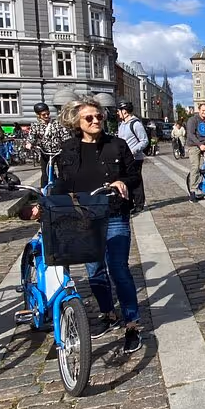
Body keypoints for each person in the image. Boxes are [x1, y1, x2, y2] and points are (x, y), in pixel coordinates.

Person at [45, 99, 144, 351]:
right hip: (84, 217)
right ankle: (108, 313)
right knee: (94, 270)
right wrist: (45, 202)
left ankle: (132, 323)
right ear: (78, 123)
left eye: (99, 116)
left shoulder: (117, 145)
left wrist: (122, 181)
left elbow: (134, 175)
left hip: (114, 214)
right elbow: (61, 183)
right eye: (89, 118)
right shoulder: (68, 149)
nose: (96, 121)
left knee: (119, 268)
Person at [115, 101, 148, 213]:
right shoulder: (122, 124)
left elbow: (144, 141)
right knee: (126, 180)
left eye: (119, 111)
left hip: (135, 158)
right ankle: (129, 203)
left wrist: (132, 151)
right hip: (124, 158)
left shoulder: (136, 124)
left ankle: (139, 204)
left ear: (125, 111)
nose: (117, 113)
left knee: (136, 181)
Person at [27, 102, 69, 189]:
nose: (46, 116)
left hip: (58, 152)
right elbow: (32, 137)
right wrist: (29, 143)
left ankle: (64, 189)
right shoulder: (35, 126)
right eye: (44, 114)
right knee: (45, 174)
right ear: (38, 115)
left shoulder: (57, 123)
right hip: (45, 152)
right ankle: (43, 192)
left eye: (48, 113)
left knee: (63, 171)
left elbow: (65, 135)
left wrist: (66, 144)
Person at [186, 102, 205, 174]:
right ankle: (193, 185)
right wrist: (200, 145)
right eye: (203, 110)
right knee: (195, 168)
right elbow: (191, 134)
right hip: (194, 145)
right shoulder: (192, 120)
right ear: (199, 110)